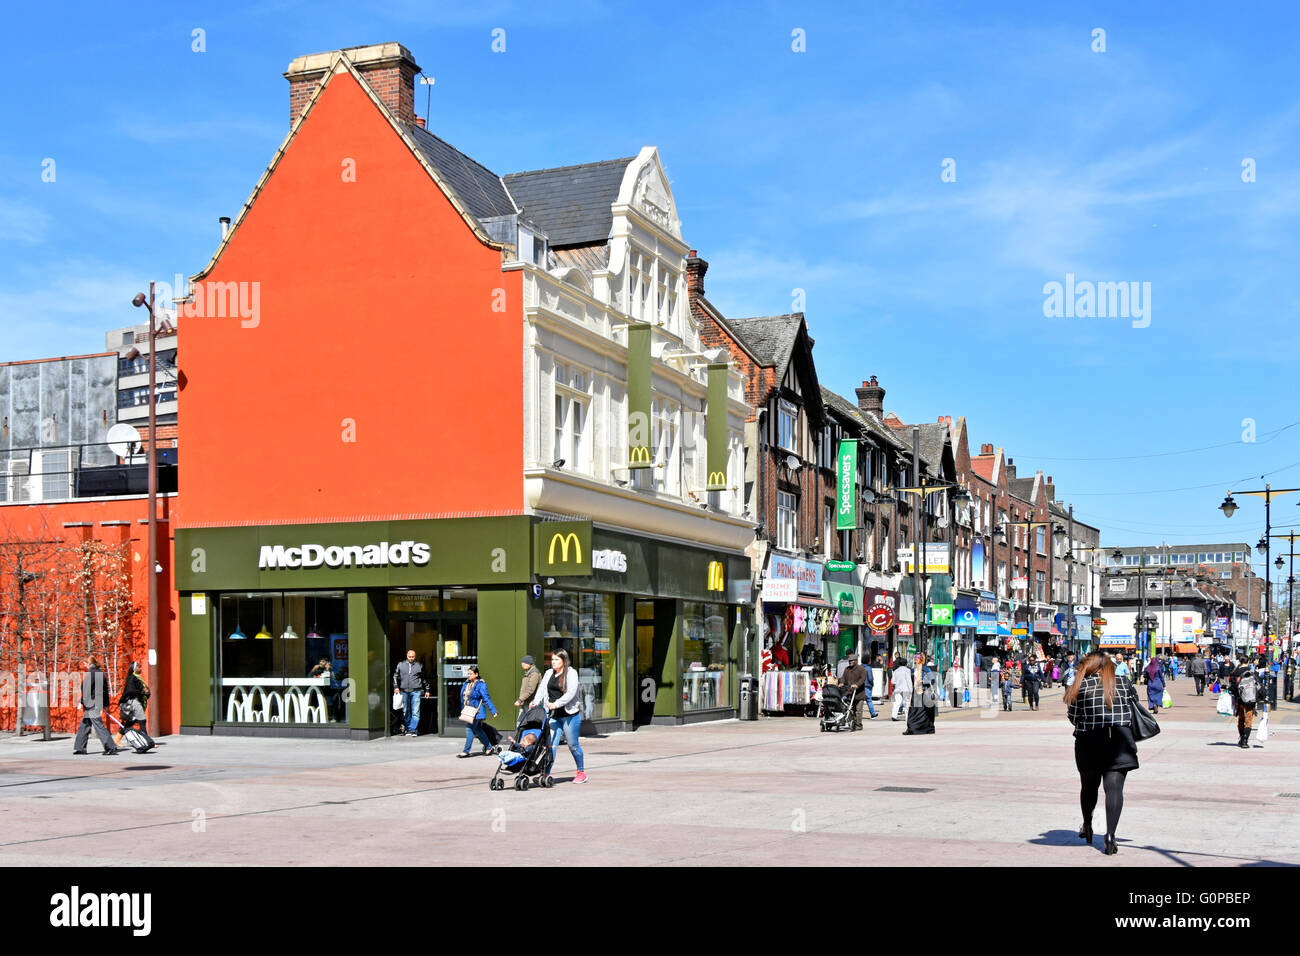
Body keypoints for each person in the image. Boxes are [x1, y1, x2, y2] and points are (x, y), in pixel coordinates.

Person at [1064, 651, 1141, 856]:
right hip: (1120, 739)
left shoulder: (1082, 684)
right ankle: (1110, 836)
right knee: (1114, 789)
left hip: (1089, 740)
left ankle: (1088, 825)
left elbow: (1073, 716)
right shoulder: (1124, 682)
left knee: (1088, 787)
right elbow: (1134, 703)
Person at [530, 649, 587, 783]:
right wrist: (535, 701)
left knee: (573, 745)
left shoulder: (571, 673)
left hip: (569, 715)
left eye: (556, 660)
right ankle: (545, 774)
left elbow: (571, 692)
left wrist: (556, 704)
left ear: (564, 661)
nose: (553, 662)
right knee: (550, 746)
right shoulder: (549, 673)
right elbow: (542, 688)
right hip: (553, 716)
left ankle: (581, 772)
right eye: (552, 659)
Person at [73, 656, 121, 756]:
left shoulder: (91, 674)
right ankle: (80, 748)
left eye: (85, 664)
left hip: (91, 703)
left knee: (98, 725)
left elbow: (87, 690)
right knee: (84, 725)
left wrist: (82, 701)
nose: (84, 666)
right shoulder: (100, 673)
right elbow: (104, 690)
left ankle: (110, 747)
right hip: (96, 702)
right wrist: (105, 704)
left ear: (89, 664)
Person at [457, 664, 499, 757]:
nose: (469, 675)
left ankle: (466, 751)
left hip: (477, 711)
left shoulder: (481, 685)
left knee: (469, 729)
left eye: (471, 674)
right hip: (468, 710)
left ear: (476, 674)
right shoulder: (466, 683)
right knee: (478, 729)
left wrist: (493, 711)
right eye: (468, 674)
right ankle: (489, 747)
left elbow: (486, 698)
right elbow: (463, 698)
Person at [117, 660, 155, 751]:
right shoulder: (132, 678)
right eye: (138, 667)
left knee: (130, 722)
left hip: (137, 701)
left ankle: (117, 739)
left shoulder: (137, 678)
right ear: (134, 668)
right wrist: (142, 692)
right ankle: (146, 741)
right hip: (133, 702)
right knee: (142, 720)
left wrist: (146, 693)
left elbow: (143, 690)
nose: (140, 668)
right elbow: (130, 691)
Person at [393, 649, 430, 737]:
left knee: (415, 711)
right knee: (406, 711)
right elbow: (395, 676)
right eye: (410, 657)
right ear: (407, 656)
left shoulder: (419, 665)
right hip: (404, 690)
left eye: (413, 657)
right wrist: (396, 686)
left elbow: (424, 678)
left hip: (416, 690)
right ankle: (408, 728)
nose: (411, 658)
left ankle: (413, 729)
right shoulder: (401, 664)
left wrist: (427, 690)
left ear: (415, 656)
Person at [1229, 657, 1260, 749]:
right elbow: (1258, 685)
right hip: (1251, 699)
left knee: (1241, 719)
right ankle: (1245, 740)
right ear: (1248, 662)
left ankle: (1242, 737)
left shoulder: (1235, 672)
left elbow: (1233, 687)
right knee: (1249, 719)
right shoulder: (1253, 672)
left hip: (1239, 699)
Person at [903, 653, 937, 735]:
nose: (915, 660)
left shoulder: (925, 668)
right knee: (913, 712)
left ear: (921, 659)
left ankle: (926, 728)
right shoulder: (913, 669)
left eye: (917, 658)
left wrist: (923, 681)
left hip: (924, 693)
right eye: (915, 658)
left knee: (924, 713)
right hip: (915, 693)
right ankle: (911, 728)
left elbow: (932, 679)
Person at [840, 654, 867, 730]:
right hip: (849, 693)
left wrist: (857, 685)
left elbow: (863, 678)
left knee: (858, 710)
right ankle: (852, 723)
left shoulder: (861, 669)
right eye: (849, 661)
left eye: (851, 661)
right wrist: (842, 682)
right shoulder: (847, 669)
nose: (850, 662)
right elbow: (843, 678)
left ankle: (859, 725)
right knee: (850, 709)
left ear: (856, 661)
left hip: (859, 694)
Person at [890, 656, 913, 721]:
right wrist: (911, 689)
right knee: (907, 703)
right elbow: (909, 680)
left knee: (897, 702)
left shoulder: (896, 671)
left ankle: (894, 716)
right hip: (906, 689)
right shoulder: (908, 670)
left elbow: (892, 681)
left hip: (898, 689)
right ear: (906, 663)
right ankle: (907, 717)